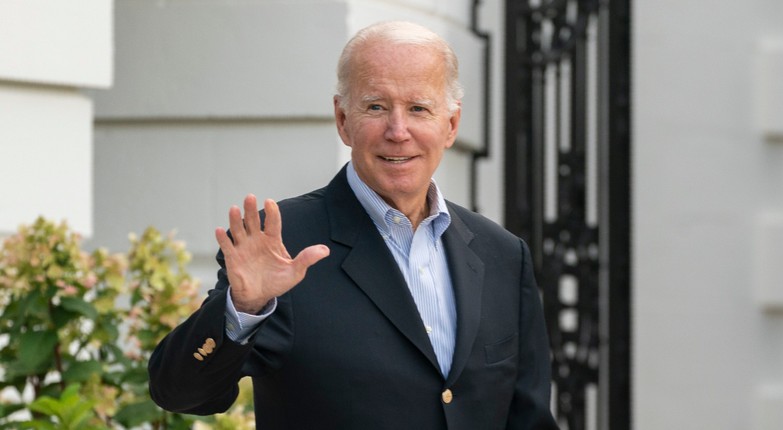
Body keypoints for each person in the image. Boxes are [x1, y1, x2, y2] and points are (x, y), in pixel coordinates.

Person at [148, 21, 558, 430]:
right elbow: (179, 393)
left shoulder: (501, 254)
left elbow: (529, 420)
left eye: (418, 108)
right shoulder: (281, 244)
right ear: (343, 120)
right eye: (376, 107)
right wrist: (243, 309)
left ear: (450, 125)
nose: (398, 132)